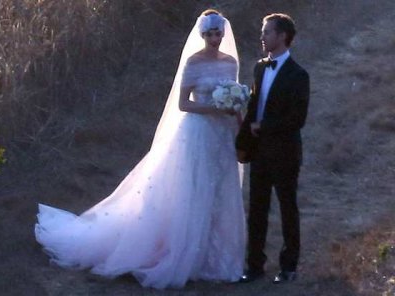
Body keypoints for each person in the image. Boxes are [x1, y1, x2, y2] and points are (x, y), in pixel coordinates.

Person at [35, 9, 246, 289]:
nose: (214, 38)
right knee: (195, 190)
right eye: (209, 34)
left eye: (217, 33)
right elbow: (184, 104)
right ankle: (186, 254)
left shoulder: (230, 62)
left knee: (220, 191)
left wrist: (237, 119)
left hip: (222, 136)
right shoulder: (193, 63)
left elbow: (234, 96)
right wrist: (213, 108)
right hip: (199, 133)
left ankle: (217, 257)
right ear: (202, 35)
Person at [236, 13, 310, 284]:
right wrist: (244, 141)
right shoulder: (259, 68)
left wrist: (263, 127)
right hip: (260, 152)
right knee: (257, 208)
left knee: (287, 208)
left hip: (285, 152)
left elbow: (297, 119)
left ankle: (288, 266)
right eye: (263, 31)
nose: (263, 36)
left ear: (282, 37)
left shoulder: (299, 75)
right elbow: (254, 107)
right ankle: (254, 265)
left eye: (267, 32)